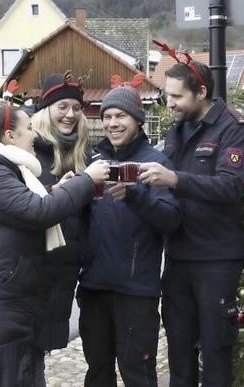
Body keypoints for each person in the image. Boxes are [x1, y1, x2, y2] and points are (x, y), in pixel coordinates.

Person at [0, 102, 108, 386]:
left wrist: (57, 191)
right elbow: (38, 212)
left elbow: (24, 207)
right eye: (28, 129)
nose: (35, 136)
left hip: (5, 310)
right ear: (9, 136)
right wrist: (87, 180)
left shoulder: (6, 171)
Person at [139, 59, 244, 386]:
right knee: (178, 352)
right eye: (167, 96)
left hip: (217, 259)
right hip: (178, 258)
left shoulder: (233, 127)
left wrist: (175, 179)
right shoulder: (177, 129)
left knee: (216, 354)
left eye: (176, 97)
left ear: (201, 92)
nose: (169, 104)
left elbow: (232, 186)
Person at [77, 78, 180, 386]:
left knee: (138, 375)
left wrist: (137, 196)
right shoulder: (93, 162)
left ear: (137, 119)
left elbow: (172, 220)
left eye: (120, 116)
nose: (112, 123)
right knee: (97, 372)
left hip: (136, 294)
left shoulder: (155, 163)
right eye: (107, 117)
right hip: (94, 289)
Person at [29, 73, 91, 352]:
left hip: (64, 278)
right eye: (62, 107)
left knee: (40, 357)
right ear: (46, 110)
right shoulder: (27, 152)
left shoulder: (82, 156)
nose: (70, 115)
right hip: (31, 275)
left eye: (77, 108)